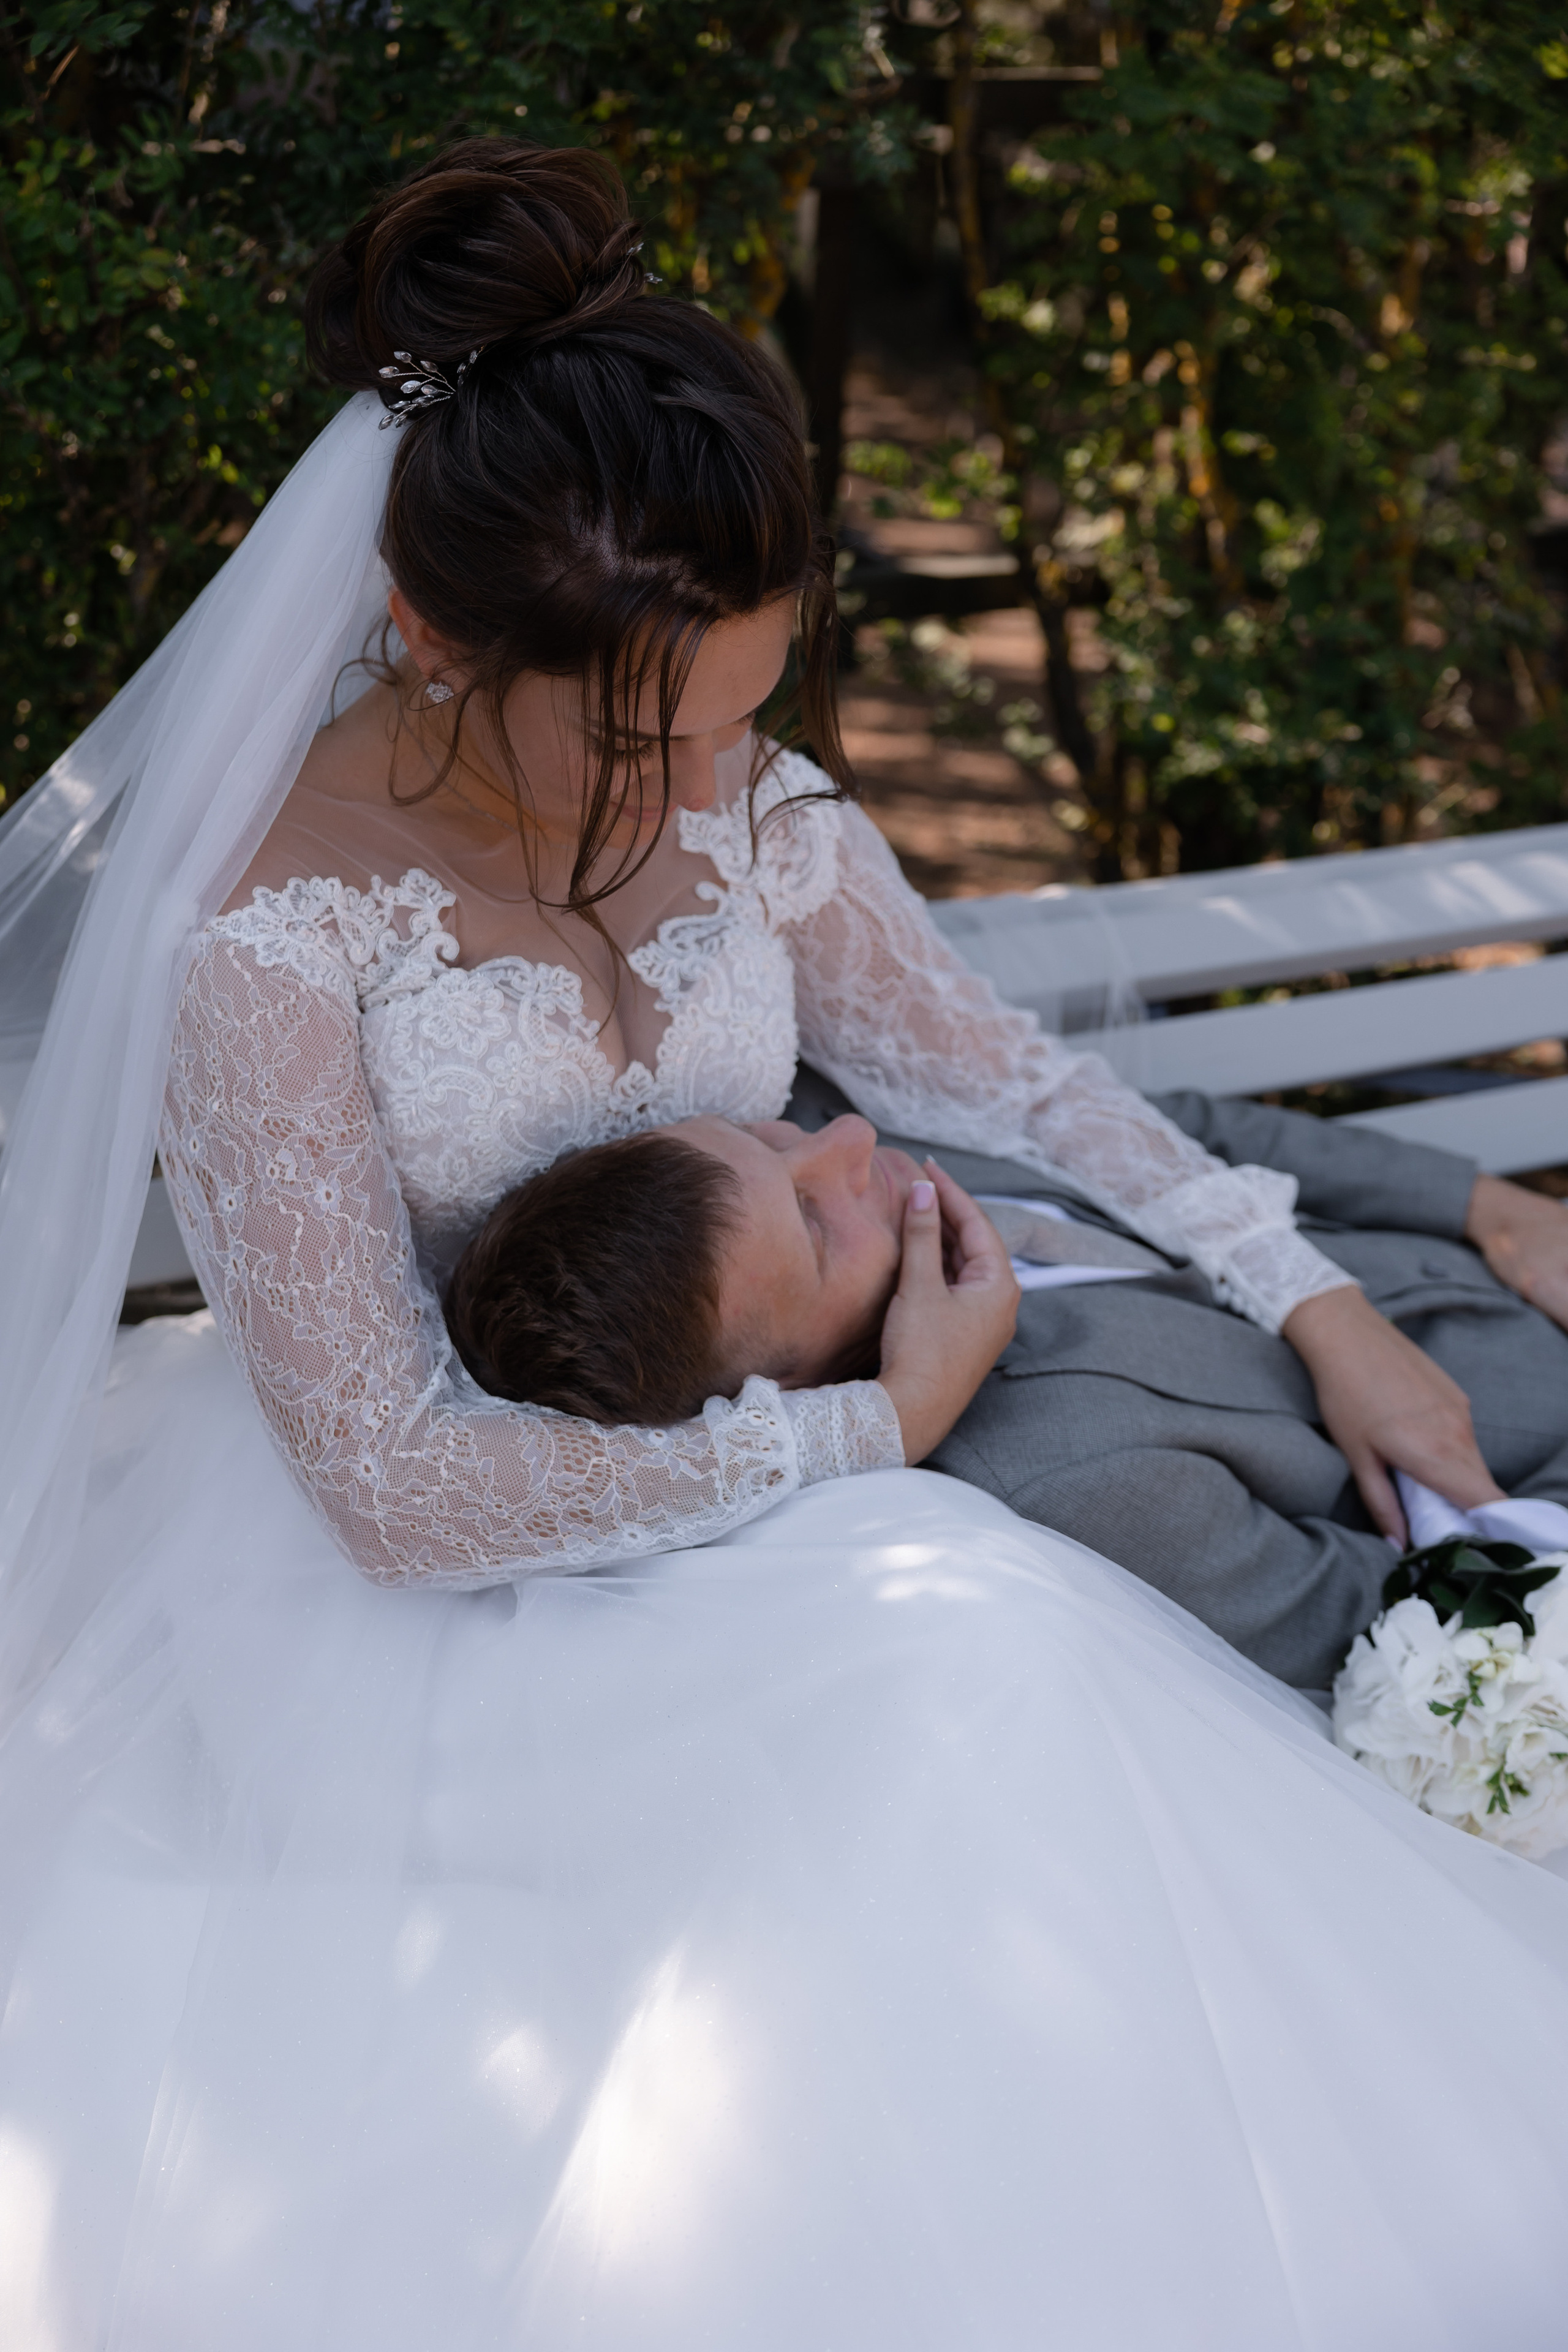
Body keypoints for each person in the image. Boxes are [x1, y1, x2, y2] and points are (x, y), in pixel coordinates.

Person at [4, 139, 1568, 2350]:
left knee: (1008, 1641)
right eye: (642, 739)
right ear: (436, 631)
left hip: (779, 1444)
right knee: (977, 1658)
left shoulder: (729, 780)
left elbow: (995, 1079)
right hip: (452, 1565)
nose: (703, 791)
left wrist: (1314, 1300)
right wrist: (869, 1441)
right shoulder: (263, 931)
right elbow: (389, 1483)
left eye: (744, 712)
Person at [445, 1098, 1568, 1692]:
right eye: (816, 1219)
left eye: (763, 1138)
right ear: (789, 1394)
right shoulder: (1072, 1475)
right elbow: (1436, 1620)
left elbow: (1182, 1130)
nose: (845, 1139)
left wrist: (1491, 1208)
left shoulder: (887, 1172)